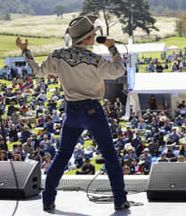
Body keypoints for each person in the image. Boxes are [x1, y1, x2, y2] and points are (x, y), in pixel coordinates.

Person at [16, 15, 129, 212]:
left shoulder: (57, 55)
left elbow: (38, 71)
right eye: (92, 34)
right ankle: (120, 199)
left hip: (72, 111)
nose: (95, 36)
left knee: (62, 155)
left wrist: (26, 51)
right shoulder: (95, 59)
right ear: (85, 39)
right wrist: (111, 47)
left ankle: (48, 199)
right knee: (109, 155)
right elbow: (119, 70)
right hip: (93, 111)